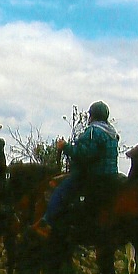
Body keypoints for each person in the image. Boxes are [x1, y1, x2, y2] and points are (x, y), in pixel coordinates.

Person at [35, 101, 119, 238]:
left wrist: (65, 147)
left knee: (60, 191)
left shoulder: (93, 131)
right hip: (111, 174)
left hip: (93, 174)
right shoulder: (112, 133)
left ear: (92, 116)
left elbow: (84, 154)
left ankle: (47, 223)